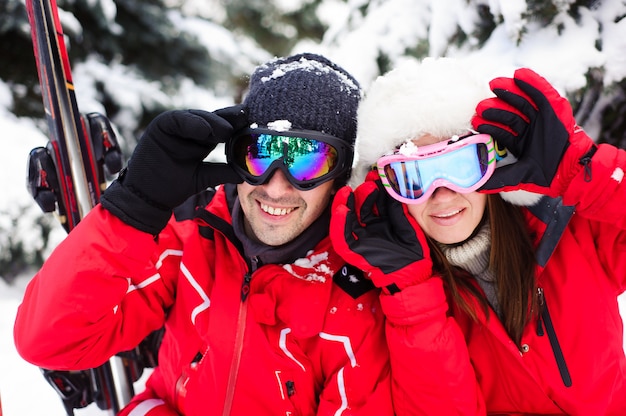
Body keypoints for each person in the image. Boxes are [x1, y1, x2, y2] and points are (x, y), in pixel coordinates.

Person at [14, 53, 393, 416]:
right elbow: (49, 342)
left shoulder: (357, 297)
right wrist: (132, 208)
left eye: (308, 162)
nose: (276, 188)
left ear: (339, 176)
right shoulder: (191, 233)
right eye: (260, 153)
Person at [330, 57, 626, 415]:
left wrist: (584, 170)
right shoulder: (391, 296)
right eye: (414, 176)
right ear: (385, 189)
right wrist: (414, 298)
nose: (442, 194)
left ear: (493, 163)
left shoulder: (573, 231)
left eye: (458, 165)